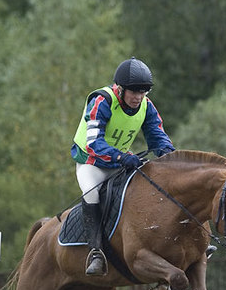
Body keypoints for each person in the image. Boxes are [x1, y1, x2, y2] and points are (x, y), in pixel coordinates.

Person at [71, 57, 176, 276]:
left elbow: (157, 137)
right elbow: (93, 143)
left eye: (142, 92)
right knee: (92, 195)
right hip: (92, 163)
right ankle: (96, 252)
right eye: (133, 92)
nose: (138, 97)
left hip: (120, 162)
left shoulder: (146, 106)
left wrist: (170, 156)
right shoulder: (102, 101)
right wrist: (120, 157)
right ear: (120, 88)